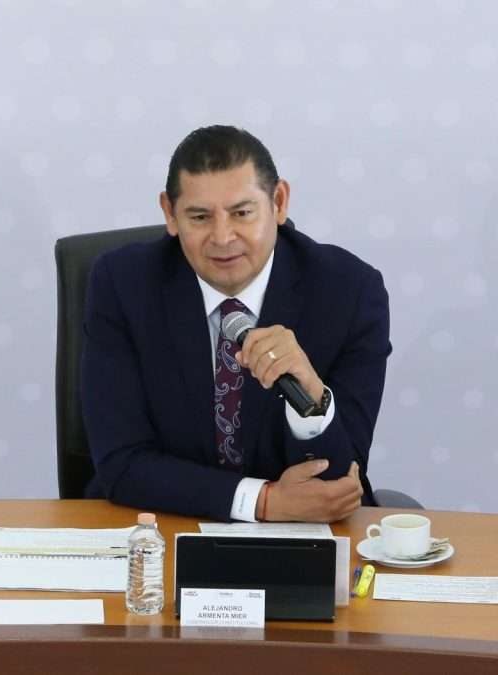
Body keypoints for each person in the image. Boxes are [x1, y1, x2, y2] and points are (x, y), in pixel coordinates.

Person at [81, 125, 389, 523]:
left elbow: (339, 487)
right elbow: (122, 464)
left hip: (300, 541)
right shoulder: (123, 285)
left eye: (242, 213)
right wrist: (262, 501)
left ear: (278, 202)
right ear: (170, 214)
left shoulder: (349, 292)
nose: (223, 238)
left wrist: (312, 399)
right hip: (160, 526)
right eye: (200, 217)